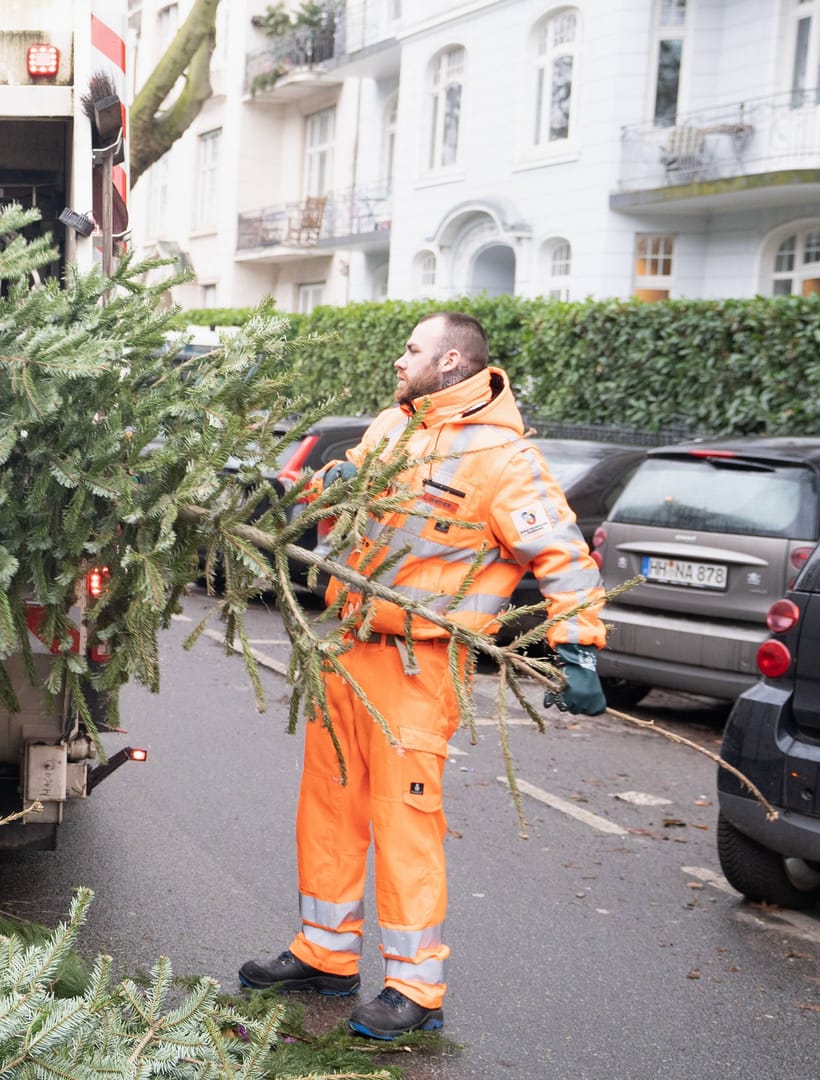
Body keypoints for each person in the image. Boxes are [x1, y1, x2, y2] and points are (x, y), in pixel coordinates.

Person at [238, 311, 608, 1039]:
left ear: (449, 362)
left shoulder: (507, 460)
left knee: (405, 824)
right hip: (347, 648)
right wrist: (328, 485)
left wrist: (581, 648)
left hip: (421, 665)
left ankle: (415, 988)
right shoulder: (390, 428)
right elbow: (351, 513)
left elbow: (563, 554)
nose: (398, 359)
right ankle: (325, 952)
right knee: (329, 808)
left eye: (411, 349)